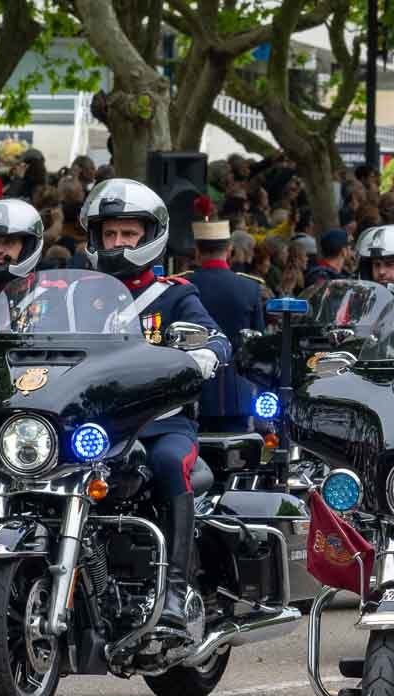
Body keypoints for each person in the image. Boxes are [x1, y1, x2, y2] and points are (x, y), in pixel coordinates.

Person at [83, 178, 230, 634]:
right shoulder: (79, 297)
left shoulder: (174, 295)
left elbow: (218, 341)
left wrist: (203, 355)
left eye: (129, 234)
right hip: (98, 428)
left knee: (169, 465)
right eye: (110, 234)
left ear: (150, 237)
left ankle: (175, 590)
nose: (118, 243)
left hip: (161, 426)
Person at [185, 220, 263, 433]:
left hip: (193, 392)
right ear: (229, 251)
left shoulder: (184, 286)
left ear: (197, 252)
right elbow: (258, 341)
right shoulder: (249, 287)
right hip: (236, 392)